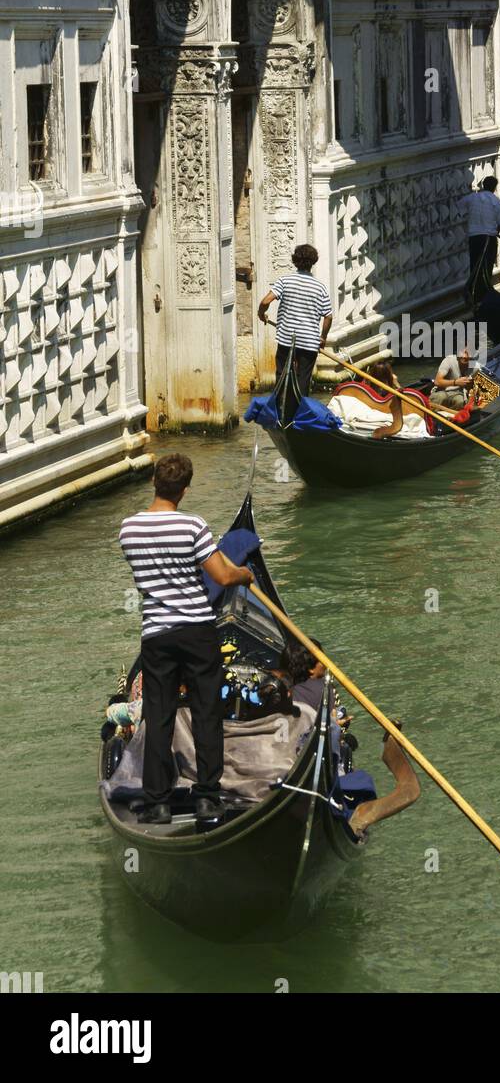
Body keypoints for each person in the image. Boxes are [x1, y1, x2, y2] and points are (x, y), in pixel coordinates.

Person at [119, 454, 253, 826]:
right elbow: (222, 577)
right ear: (185, 489)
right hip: (196, 629)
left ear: (154, 482)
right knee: (205, 711)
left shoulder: (127, 529)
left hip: (157, 633)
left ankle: (158, 801)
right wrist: (244, 575)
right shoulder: (193, 525)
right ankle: (208, 797)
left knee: (158, 714)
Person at [258, 244, 333, 404]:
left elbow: (266, 300)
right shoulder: (320, 288)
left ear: (295, 261)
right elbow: (328, 316)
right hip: (309, 341)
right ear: (313, 262)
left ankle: (279, 408)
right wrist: (323, 337)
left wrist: (260, 314)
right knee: (303, 381)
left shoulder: (284, 281)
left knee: (281, 375)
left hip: (286, 338)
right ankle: (300, 414)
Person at [460, 175, 500, 298]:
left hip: (474, 237)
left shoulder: (471, 198)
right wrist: (494, 230)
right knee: (486, 266)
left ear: (483, 186)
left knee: (475, 263)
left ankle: (475, 292)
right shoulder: (496, 201)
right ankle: (483, 292)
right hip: (488, 238)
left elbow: (460, 208)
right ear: (494, 188)